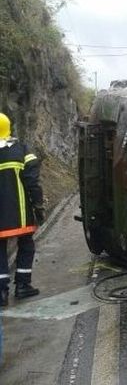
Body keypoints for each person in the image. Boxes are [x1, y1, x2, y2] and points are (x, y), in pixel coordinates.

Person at [0, 113, 44, 306]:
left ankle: (1, 292)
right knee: (26, 245)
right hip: (20, 211)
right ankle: (22, 286)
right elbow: (32, 181)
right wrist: (38, 205)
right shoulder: (22, 150)